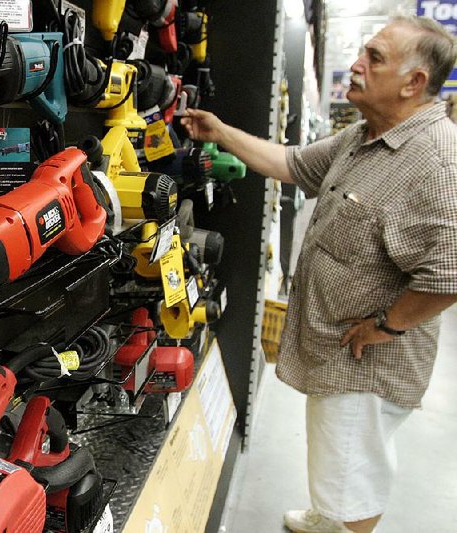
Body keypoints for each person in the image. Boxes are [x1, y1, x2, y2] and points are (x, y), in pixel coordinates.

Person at [181, 15, 457, 533]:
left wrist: (386, 325)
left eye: (375, 58)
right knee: (341, 463)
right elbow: (289, 162)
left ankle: (342, 522)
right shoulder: (366, 136)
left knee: (354, 476)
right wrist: (220, 132)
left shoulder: (437, 162)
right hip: (340, 348)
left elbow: (450, 274)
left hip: (366, 358)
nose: (356, 65)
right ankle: (328, 515)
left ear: (414, 82)